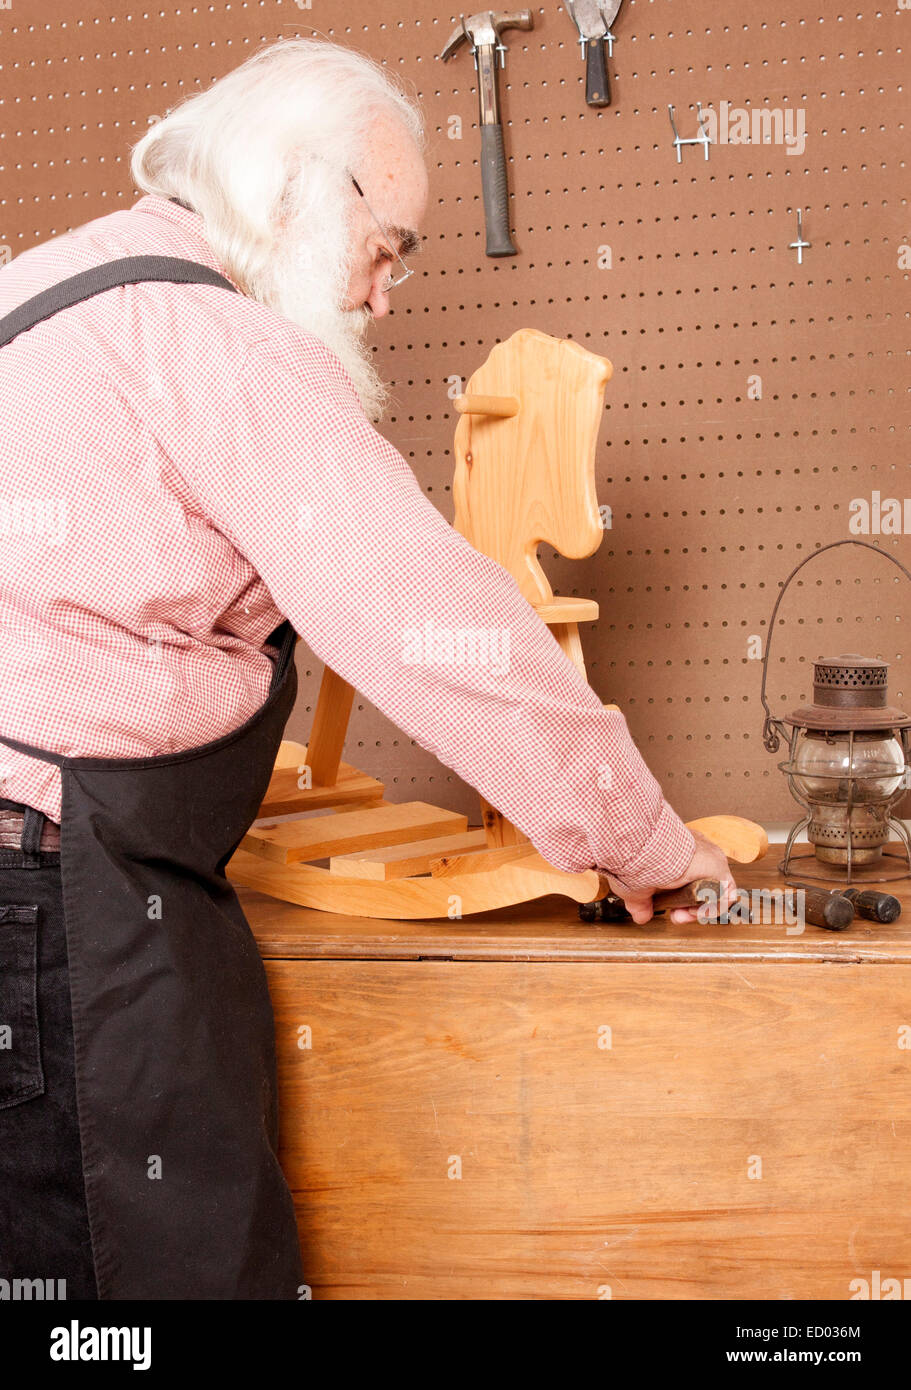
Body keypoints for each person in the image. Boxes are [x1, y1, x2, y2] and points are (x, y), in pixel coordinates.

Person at [0, 36, 735, 1300]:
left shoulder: (45, 290)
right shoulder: (224, 347)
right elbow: (433, 624)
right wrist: (648, 845)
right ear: (300, 188)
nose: (386, 296)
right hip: (59, 913)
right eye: (388, 246)